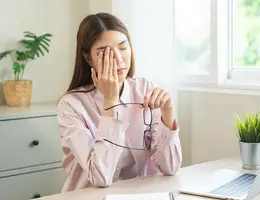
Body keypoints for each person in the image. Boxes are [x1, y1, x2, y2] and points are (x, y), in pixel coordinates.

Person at [57, 12, 182, 192]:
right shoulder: (71, 105)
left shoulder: (145, 90)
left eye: (123, 47)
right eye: (104, 52)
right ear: (88, 58)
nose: (118, 58)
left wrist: (167, 115)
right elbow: (101, 177)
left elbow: (170, 168)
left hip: (139, 194)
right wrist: (110, 101)